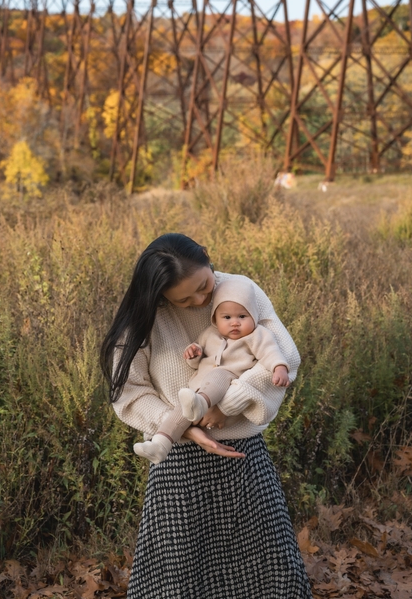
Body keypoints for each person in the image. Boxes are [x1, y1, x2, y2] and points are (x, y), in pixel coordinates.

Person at [100, 233, 312, 599]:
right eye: (185, 299)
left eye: (203, 286)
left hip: (243, 458)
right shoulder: (145, 316)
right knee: (177, 580)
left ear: (207, 258)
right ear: (161, 295)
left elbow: (283, 356)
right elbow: (129, 392)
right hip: (178, 465)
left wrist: (228, 403)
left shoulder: (240, 290)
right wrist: (184, 429)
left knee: (271, 571)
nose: (201, 300)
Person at [133, 277, 291, 464]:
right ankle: (160, 445)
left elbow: (270, 352)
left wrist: (279, 368)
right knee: (177, 414)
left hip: (228, 387)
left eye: (242, 316)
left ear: (254, 316)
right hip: (197, 393)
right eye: (227, 317)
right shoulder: (209, 334)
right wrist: (194, 354)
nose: (235, 323)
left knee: (219, 374)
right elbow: (196, 361)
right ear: (215, 319)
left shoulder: (257, 335)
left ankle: (200, 403)